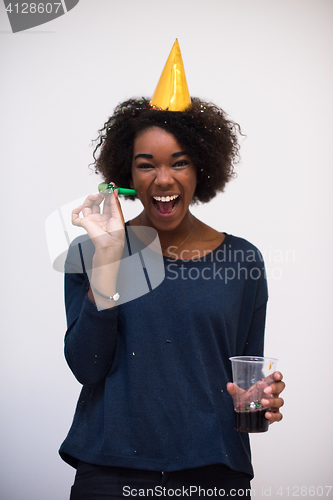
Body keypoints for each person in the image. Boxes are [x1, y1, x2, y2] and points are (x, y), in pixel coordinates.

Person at [59, 41, 285, 499]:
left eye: (179, 162)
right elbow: (87, 367)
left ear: (202, 169)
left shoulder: (243, 260)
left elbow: (247, 382)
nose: (163, 180)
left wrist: (259, 403)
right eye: (147, 165)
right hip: (109, 471)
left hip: (214, 471)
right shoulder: (93, 250)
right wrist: (108, 258)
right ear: (126, 174)